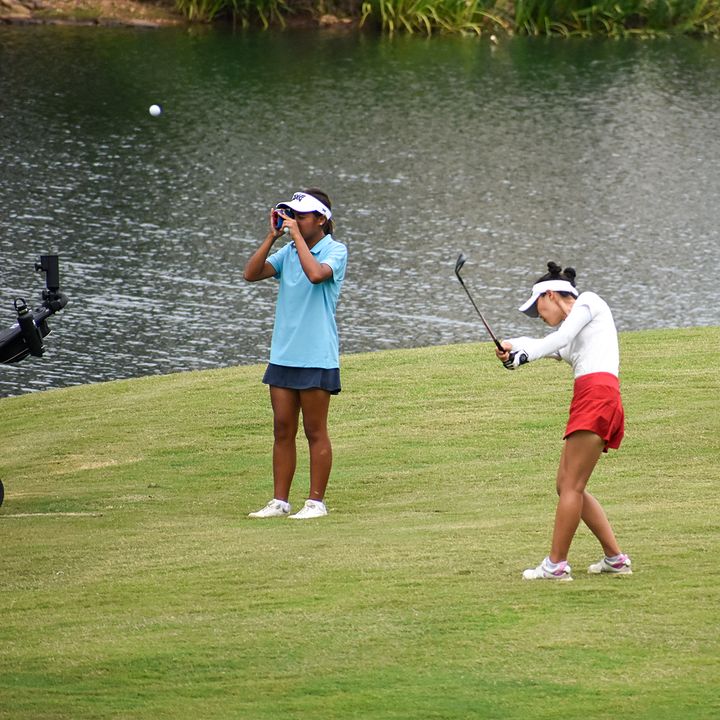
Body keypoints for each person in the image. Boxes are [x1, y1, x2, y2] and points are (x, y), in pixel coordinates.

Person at [497, 262, 632, 581]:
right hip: (595, 397)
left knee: (571, 485)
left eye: (538, 307)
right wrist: (513, 348)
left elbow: (558, 339)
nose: (539, 315)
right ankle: (615, 559)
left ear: (551, 294)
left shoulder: (589, 302)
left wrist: (525, 355)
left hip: (597, 397)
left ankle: (556, 565)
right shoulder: (574, 335)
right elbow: (550, 346)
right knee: (568, 486)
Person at [243, 189, 347, 520]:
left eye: (301, 216)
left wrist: (297, 238)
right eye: (292, 216)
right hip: (284, 354)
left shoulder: (335, 250)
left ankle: (315, 503)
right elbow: (251, 273)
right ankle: (280, 501)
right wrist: (272, 237)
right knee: (282, 429)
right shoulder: (287, 251)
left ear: (321, 219)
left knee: (314, 430)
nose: (295, 221)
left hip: (317, 355)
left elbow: (316, 275)